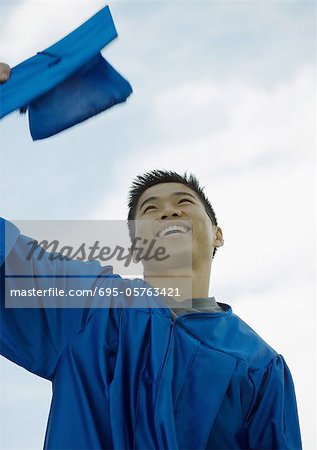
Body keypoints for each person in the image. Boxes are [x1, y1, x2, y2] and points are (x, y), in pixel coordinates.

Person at [0, 64, 302, 449]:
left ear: (218, 234)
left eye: (184, 203)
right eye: (151, 210)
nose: (169, 212)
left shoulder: (260, 366)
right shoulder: (87, 308)